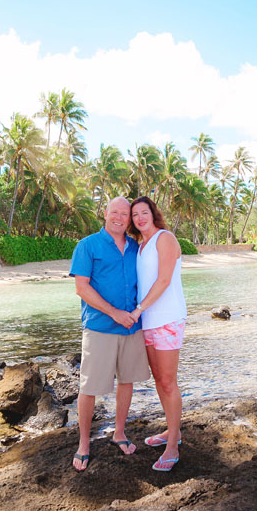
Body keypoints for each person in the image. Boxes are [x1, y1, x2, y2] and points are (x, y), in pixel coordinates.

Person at [69, 196, 151, 471]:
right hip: (99, 328)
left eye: (124, 214)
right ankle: (84, 443)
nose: (119, 217)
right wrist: (114, 312)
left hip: (132, 327)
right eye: (114, 212)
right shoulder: (87, 245)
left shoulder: (135, 248)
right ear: (105, 214)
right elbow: (82, 288)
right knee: (89, 387)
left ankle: (119, 433)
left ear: (129, 220)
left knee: (127, 381)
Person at [129, 196, 187, 472]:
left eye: (144, 212)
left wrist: (139, 309)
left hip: (167, 318)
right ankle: (172, 430)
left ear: (153, 213)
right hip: (148, 321)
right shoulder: (140, 246)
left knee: (168, 382)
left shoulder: (165, 238)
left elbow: (164, 280)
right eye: (135, 215)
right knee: (159, 381)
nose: (140, 217)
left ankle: (173, 444)